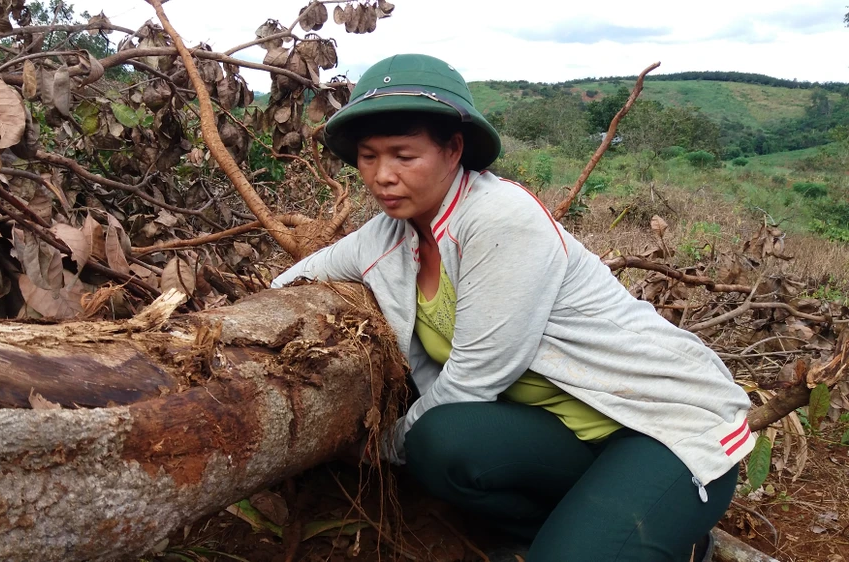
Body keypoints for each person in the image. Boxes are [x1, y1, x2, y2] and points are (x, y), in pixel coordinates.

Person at [271, 54, 754, 561]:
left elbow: (473, 380)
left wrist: (381, 448)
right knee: (440, 444)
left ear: (453, 149)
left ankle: (661, 534)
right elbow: (296, 278)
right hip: (563, 438)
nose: (382, 176)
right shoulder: (388, 235)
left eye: (403, 155)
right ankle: (582, 532)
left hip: (660, 427)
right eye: (369, 157)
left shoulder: (500, 219)